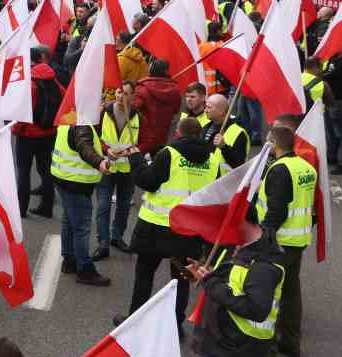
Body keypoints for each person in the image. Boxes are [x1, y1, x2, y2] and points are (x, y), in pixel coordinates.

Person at [122, 116, 222, 328]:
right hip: (189, 230)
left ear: (178, 132)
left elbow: (147, 181)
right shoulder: (213, 160)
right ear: (199, 135)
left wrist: (136, 160)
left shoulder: (170, 154)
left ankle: (134, 322)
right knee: (181, 279)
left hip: (157, 226)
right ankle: (175, 324)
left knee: (145, 274)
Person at [253, 124, 314, 357]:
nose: (266, 145)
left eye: (269, 141)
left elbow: (277, 210)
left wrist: (264, 238)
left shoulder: (279, 170)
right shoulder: (305, 167)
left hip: (278, 241)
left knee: (270, 293)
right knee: (290, 292)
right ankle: (290, 342)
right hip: (298, 240)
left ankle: (267, 348)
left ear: (276, 144)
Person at [48, 120, 111, 286]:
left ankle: (69, 260)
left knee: (69, 221)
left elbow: (84, 144)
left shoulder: (68, 119)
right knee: (81, 228)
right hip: (76, 183)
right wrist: (100, 162)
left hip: (63, 178)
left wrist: (105, 152)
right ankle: (85, 270)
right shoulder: (82, 124)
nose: (101, 105)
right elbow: (85, 147)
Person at [12, 45, 64, 218]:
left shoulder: (29, 83)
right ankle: (47, 207)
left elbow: (23, 111)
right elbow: (64, 100)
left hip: (27, 135)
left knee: (24, 171)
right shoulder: (53, 79)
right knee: (46, 170)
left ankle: (21, 209)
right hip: (49, 133)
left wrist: (15, 129)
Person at [93, 92, 139, 259]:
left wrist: (132, 151)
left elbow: (146, 140)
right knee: (103, 206)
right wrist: (106, 150)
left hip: (127, 170)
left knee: (124, 206)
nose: (121, 97)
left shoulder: (137, 115)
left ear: (131, 97)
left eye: (126, 93)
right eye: (119, 92)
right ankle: (103, 243)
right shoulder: (104, 112)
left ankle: (117, 237)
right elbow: (94, 136)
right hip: (107, 167)